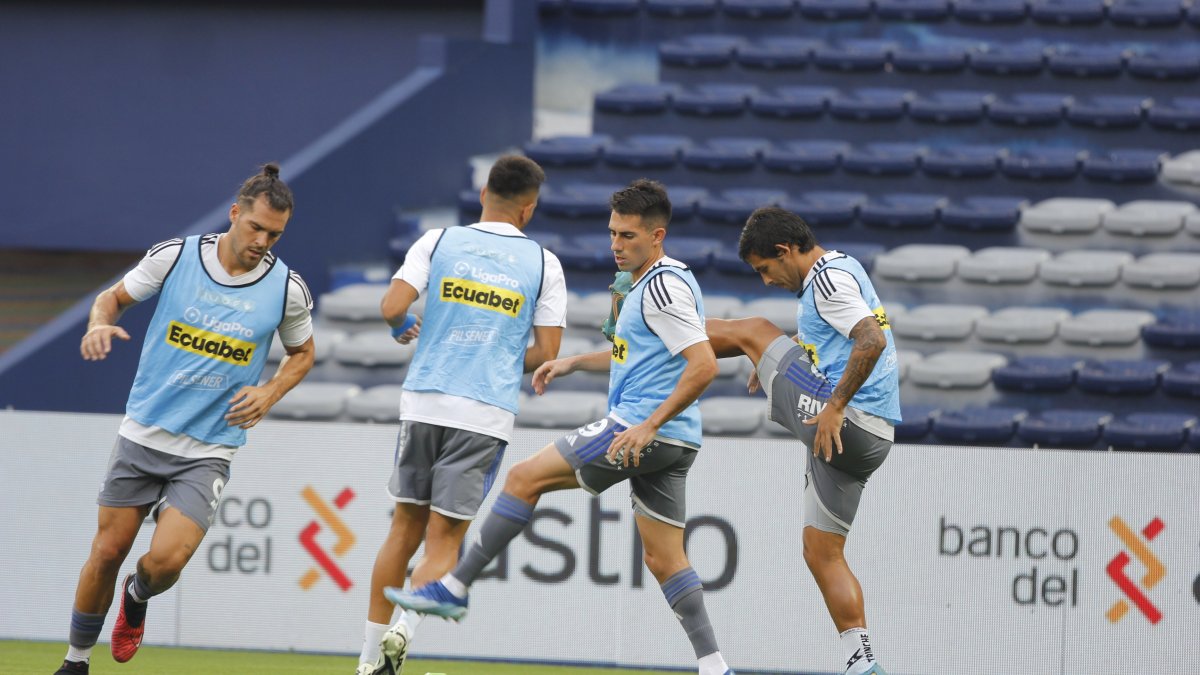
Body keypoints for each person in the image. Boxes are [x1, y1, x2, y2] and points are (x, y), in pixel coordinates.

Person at [386, 179, 737, 675]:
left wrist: (648, 425)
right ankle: (715, 665)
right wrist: (574, 363)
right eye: (613, 233)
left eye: (629, 237)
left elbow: (703, 364)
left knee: (522, 479)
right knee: (666, 561)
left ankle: (454, 586)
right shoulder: (649, 282)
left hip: (641, 428)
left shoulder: (661, 286)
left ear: (657, 236)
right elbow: (635, 356)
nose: (616, 245)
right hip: (675, 441)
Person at [56, 164, 315, 675]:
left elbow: (303, 352)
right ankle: (75, 661)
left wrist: (270, 391)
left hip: (208, 448)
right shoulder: (175, 257)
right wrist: (98, 324)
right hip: (144, 432)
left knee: (167, 561)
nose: (263, 241)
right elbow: (112, 298)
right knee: (107, 550)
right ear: (234, 213)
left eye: (275, 234)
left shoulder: (287, 288)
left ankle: (138, 593)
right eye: (255, 227)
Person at [358, 155, 567, 675]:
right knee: (445, 538)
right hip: (484, 411)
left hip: (424, 400)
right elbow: (546, 353)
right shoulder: (545, 263)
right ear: (528, 209)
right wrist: (496, 357)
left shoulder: (437, 241)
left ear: (483, 196)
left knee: (402, 529)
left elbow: (390, 307)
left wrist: (401, 325)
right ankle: (405, 633)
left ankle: (366, 664)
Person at [706, 206, 899, 675]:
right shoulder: (843, 269)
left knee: (752, 330)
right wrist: (796, 347)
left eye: (765, 269)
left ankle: (655, 331)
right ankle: (863, 664)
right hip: (872, 438)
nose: (766, 280)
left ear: (784, 250)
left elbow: (869, 339)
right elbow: (841, 333)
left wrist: (832, 407)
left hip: (847, 420)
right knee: (820, 550)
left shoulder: (825, 282)